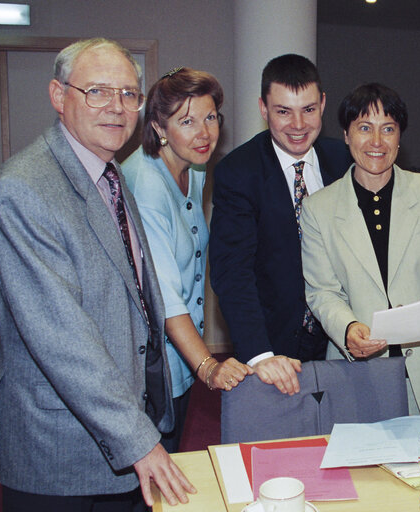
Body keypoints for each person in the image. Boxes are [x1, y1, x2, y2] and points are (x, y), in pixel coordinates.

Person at [0, 38, 194, 510]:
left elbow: (135, 296)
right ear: (59, 96)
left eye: (129, 94)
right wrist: (139, 438)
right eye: (97, 91)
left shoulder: (111, 172)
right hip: (58, 449)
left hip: (129, 423)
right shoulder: (24, 189)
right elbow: (61, 339)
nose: (116, 108)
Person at [301, 83, 420, 415]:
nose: (377, 142)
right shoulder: (318, 209)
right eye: (364, 128)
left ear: (399, 137)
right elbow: (322, 291)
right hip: (359, 368)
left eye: (388, 129)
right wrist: (349, 329)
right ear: (347, 135)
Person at [122, 68, 252, 453]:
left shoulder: (193, 168)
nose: (204, 133)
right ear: (159, 127)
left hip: (179, 353)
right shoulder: (146, 185)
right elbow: (163, 293)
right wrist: (208, 365)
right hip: (146, 361)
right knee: (148, 473)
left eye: (210, 117)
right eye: (187, 121)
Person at [209, 54, 351, 396]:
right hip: (274, 346)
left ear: (323, 104)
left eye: (309, 109)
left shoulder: (346, 160)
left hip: (342, 343)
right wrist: (261, 355)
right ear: (263, 108)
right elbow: (232, 272)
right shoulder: (238, 171)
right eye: (283, 111)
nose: (298, 124)